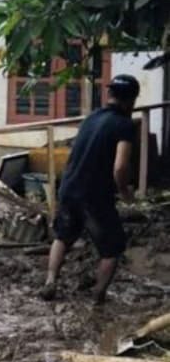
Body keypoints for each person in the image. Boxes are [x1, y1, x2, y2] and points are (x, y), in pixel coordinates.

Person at [39, 74, 140, 304]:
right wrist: (125, 192)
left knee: (63, 236)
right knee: (112, 248)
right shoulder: (124, 125)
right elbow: (120, 167)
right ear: (131, 101)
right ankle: (98, 295)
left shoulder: (92, 117)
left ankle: (50, 282)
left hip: (68, 187)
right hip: (93, 196)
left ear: (110, 95)